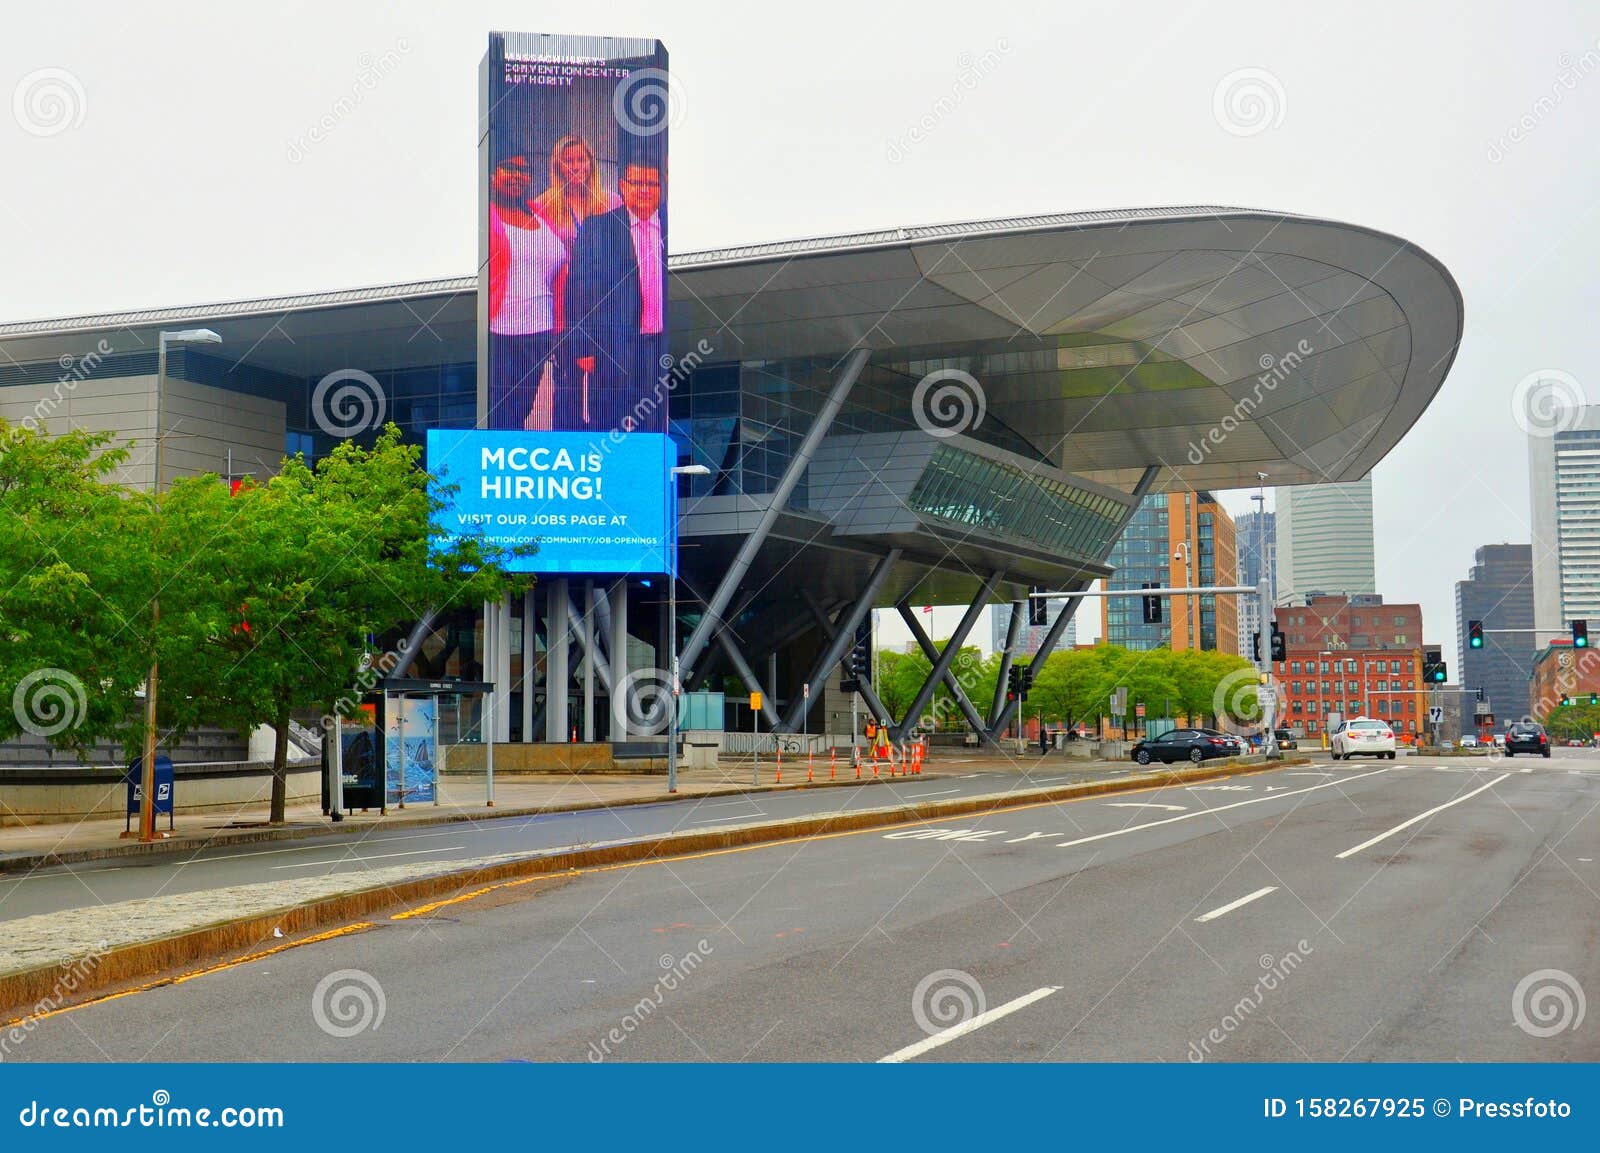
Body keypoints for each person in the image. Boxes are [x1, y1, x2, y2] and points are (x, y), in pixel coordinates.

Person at [563, 147, 667, 433]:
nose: (644, 190)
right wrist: (583, 346)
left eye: (651, 184)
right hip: (613, 345)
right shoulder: (599, 229)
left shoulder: (672, 228)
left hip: (659, 345)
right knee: (611, 421)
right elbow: (577, 293)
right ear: (622, 186)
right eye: (637, 183)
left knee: (655, 422)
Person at [487, 147, 576, 429]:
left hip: (541, 330)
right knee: (499, 412)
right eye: (508, 168)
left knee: (522, 409)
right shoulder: (485, 217)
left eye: (524, 170)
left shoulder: (540, 213)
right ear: (490, 175)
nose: (517, 175)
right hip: (499, 331)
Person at [532, 134, 620, 247]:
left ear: (591, 163)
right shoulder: (543, 204)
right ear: (558, 166)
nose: (576, 167)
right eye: (568, 161)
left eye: (582, 160)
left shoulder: (613, 202)